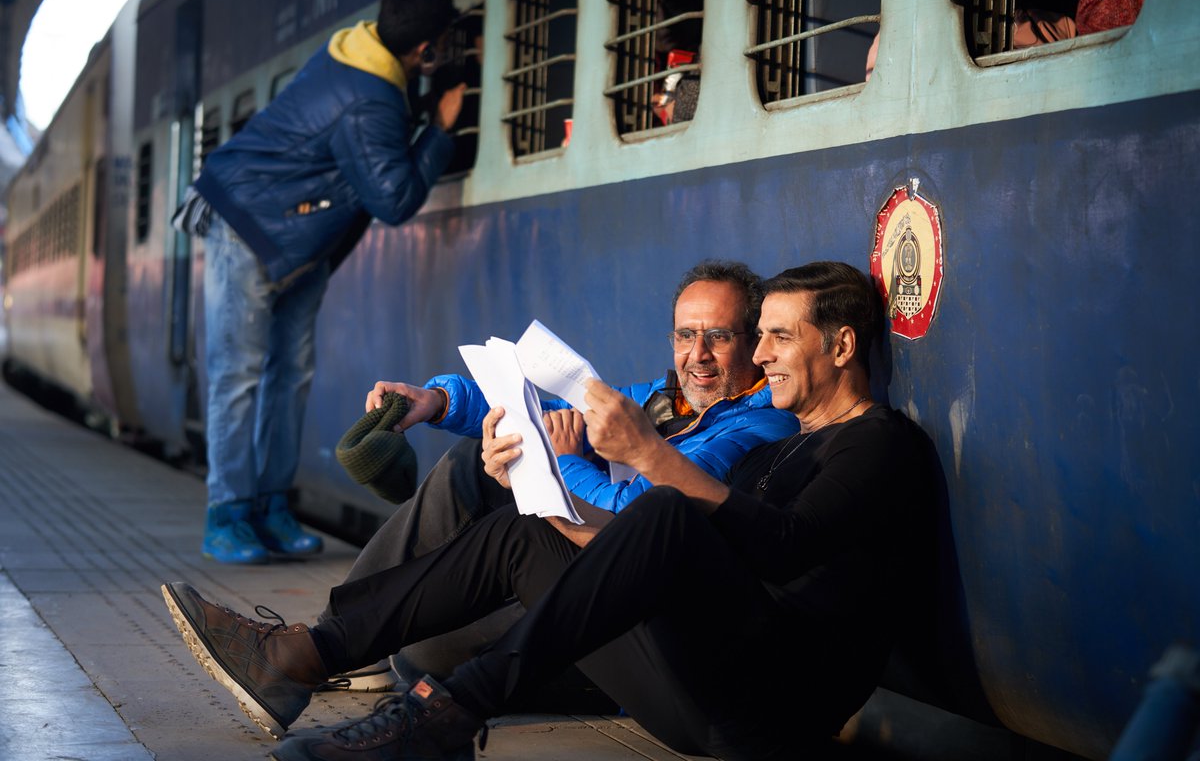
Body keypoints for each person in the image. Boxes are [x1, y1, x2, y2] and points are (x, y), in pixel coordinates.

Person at [162, 261, 940, 760]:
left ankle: (449, 712)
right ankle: (306, 655)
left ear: (841, 348)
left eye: (773, 337)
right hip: (703, 688)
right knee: (519, 533)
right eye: (759, 337)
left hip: (771, 708)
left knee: (666, 512)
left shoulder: (875, 445)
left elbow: (778, 548)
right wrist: (444, 407)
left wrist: (639, 459)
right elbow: (695, 545)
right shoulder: (775, 433)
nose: (761, 356)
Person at [321, 260, 799, 689]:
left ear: (753, 342)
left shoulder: (759, 427)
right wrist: (439, 402)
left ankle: (343, 641)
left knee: (422, 654)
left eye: (718, 336)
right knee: (479, 460)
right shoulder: (663, 398)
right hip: (580, 578)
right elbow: (552, 411)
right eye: (684, 335)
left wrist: (564, 460)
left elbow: (640, 521)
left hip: (635, 622)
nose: (697, 354)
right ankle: (336, 638)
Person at [177, 0, 467, 564]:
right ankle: (227, 515)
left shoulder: (358, 54)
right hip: (250, 226)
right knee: (240, 378)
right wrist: (439, 129)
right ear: (426, 51)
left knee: (291, 376)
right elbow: (393, 200)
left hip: (302, 238)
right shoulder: (369, 97)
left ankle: (271, 507)